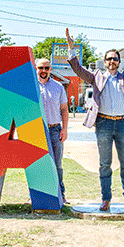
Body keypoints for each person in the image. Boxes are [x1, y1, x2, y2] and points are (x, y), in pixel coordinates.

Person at [66, 27, 124, 212]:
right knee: (104, 164)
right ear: (104, 62)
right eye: (109, 59)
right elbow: (77, 68)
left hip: (123, 124)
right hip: (104, 124)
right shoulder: (96, 77)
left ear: (119, 62)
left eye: (115, 59)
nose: (112, 61)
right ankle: (106, 199)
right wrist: (71, 49)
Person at [35, 58, 69, 203]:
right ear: (36, 68)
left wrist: (65, 129)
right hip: (36, 131)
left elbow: (64, 109)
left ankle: (60, 194)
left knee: (57, 164)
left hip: (55, 129)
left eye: (47, 68)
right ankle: (35, 195)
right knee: (36, 164)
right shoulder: (31, 87)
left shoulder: (58, 87)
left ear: (50, 69)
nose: (43, 71)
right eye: (40, 68)